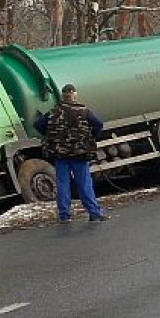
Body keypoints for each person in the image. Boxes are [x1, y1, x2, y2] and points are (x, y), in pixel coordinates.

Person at [33, 84, 107, 223]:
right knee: (84, 183)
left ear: (62, 96)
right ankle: (94, 212)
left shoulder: (54, 112)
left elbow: (38, 124)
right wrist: (90, 136)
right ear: (74, 95)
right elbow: (98, 124)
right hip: (79, 153)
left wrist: (50, 136)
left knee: (62, 184)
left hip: (60, 154)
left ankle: (64, 215)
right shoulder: (83, 111)